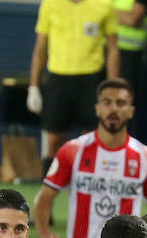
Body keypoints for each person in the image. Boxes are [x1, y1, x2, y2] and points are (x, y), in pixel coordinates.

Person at [33, 78, 147, 238]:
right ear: (97, 108)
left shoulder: (146, 158)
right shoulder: (73, 151)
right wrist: (44, 232)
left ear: (131, 110)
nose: (113, 109)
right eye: (107, 102)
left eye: (120, 103)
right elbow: (45, 197)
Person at [27, 0, 120, 165]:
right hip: (58, 77)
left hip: (91, 77)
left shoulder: (104, 5)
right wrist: (33, 86)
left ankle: (85, 182)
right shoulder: (50, 4)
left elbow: (112, 47)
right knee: (54, 139)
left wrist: (113, 87)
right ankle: (51, 183)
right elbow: (40, 48)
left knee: (90, 138)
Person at [113, 0, 147, 93]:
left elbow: (131, 19)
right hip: (106, 49)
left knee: (122, 98)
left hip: (130, 54)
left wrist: (99, 11)